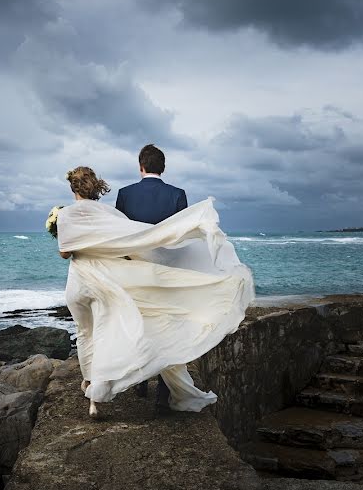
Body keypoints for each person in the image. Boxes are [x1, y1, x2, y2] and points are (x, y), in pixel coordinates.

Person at [56, 165, 253, 418]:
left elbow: (65, 252)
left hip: (78, 282)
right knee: (106, 332)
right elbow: (128, 244)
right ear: (95, 186)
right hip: (103, 282)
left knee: (85, 334)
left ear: (72, 188)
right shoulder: (110, 214)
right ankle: (96, 397)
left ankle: (88, 384)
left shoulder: (65, 215)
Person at [115, 144, 187, 411]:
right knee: (168, 331)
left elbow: (121, 238)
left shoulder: (125, 195)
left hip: (134, 273)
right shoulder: (177, 195)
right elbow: (180, 239)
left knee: (138, 327)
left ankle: (141, 380)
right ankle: (163, 395)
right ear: (163, 168)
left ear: (140, 166)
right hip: (167, 273)